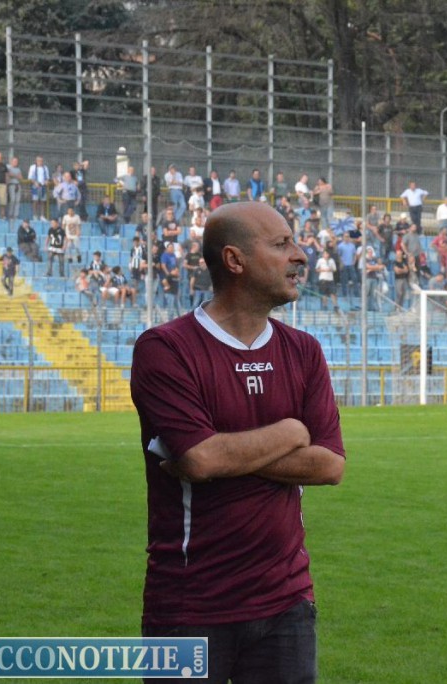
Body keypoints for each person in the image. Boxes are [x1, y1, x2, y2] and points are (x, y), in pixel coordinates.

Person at [129, 202, 345, 684]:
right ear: (234, 260)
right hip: (189, 605)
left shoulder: (304, 351)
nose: (300, 255)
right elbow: (201, 459)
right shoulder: (165, 349)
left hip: (287, 604)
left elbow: (329, 465)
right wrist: (290, 433)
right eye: (282, 244)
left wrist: (218, 453)